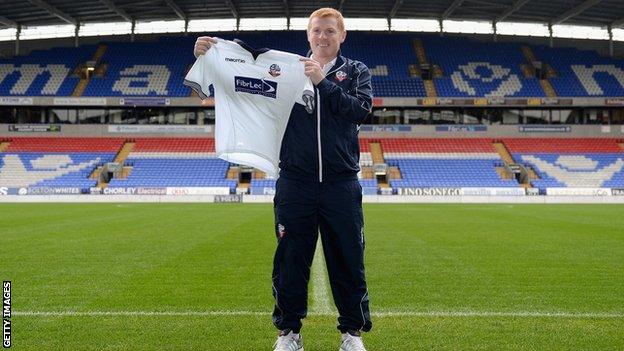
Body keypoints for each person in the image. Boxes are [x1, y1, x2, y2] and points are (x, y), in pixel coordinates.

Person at [194, 7, 372, 351]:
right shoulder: (284, 72)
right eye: (317, 31)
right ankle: (288, 333)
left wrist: (322, 82)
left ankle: (351, 334)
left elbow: (360, 110)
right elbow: (236, 87)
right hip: (295, 182)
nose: (323, 37)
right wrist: (209, 57)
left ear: (342, 36)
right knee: (290, 261)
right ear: (308, 35)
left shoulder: (355, 71)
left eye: (330, 31)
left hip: (341, 183)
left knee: (349, 260)